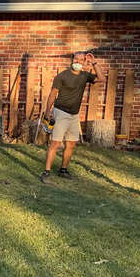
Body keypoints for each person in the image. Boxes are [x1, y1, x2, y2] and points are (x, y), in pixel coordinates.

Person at [40, 51, 104, 184]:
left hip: (74, 115)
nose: (78, 62)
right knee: (55, 143)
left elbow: (101, 79)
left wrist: (94, 63)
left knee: (71, 144)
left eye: (81, 60)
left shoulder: (85, 75)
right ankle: (46, 173)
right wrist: (47, 112)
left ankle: (63, 170)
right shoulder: (62, 76)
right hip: (61, 112)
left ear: (84, 62)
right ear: (72, 60)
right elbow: (52, 95)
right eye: (76, 59)